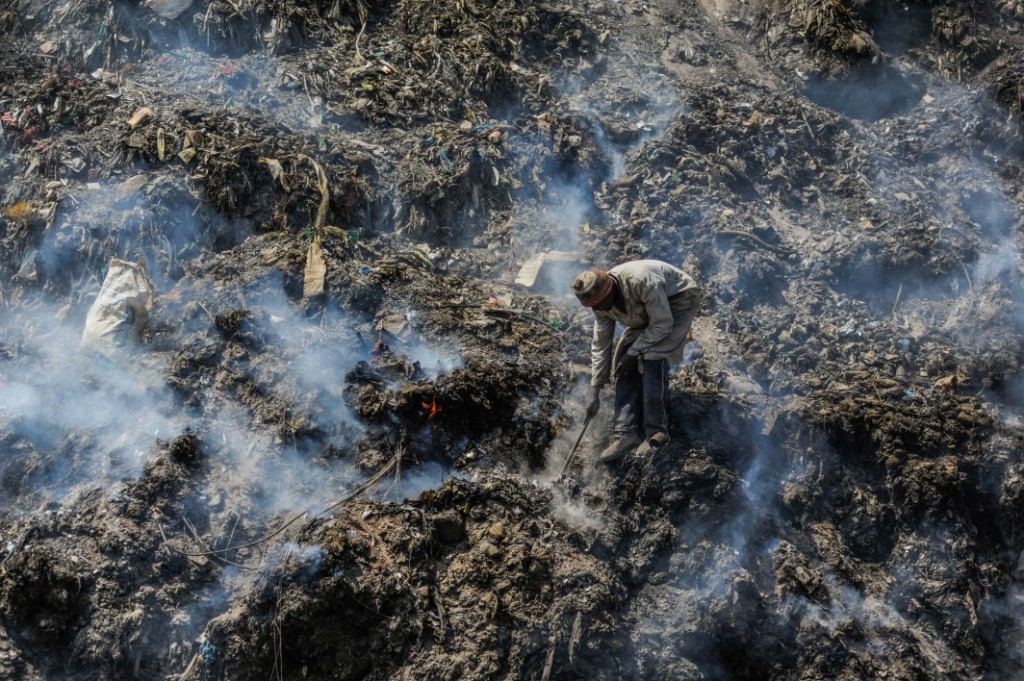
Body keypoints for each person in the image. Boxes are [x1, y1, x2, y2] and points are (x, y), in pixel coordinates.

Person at [572, 259, 701, 462]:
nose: (599, 309)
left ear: (610, 291)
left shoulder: (641, 281)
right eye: (594, 307)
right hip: (650, 312)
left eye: (601, 304)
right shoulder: (599, 306)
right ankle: (625, 433)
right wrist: (595, 389)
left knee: (652, 355)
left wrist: (634, 354)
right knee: (622, 357)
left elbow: (662, 324)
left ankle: (656, 432)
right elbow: (601, 345)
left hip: (678, 300)